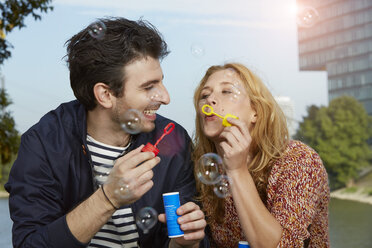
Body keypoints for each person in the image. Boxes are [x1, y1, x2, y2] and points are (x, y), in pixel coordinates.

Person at [5, 17, 206, 248]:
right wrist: (109, 196)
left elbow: (187, 240)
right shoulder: (44, 144)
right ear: (105, 95)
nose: (165, 97)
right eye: (149, 87)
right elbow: (30, 244)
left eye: (161, 83)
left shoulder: (173, 140)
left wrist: (185, 244)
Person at [192, 63, 330, 248]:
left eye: (226, 91)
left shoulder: (298, 160)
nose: (211, 100)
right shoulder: (204, 169)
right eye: (205, 95)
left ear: (255, 112)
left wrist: (238, 171)